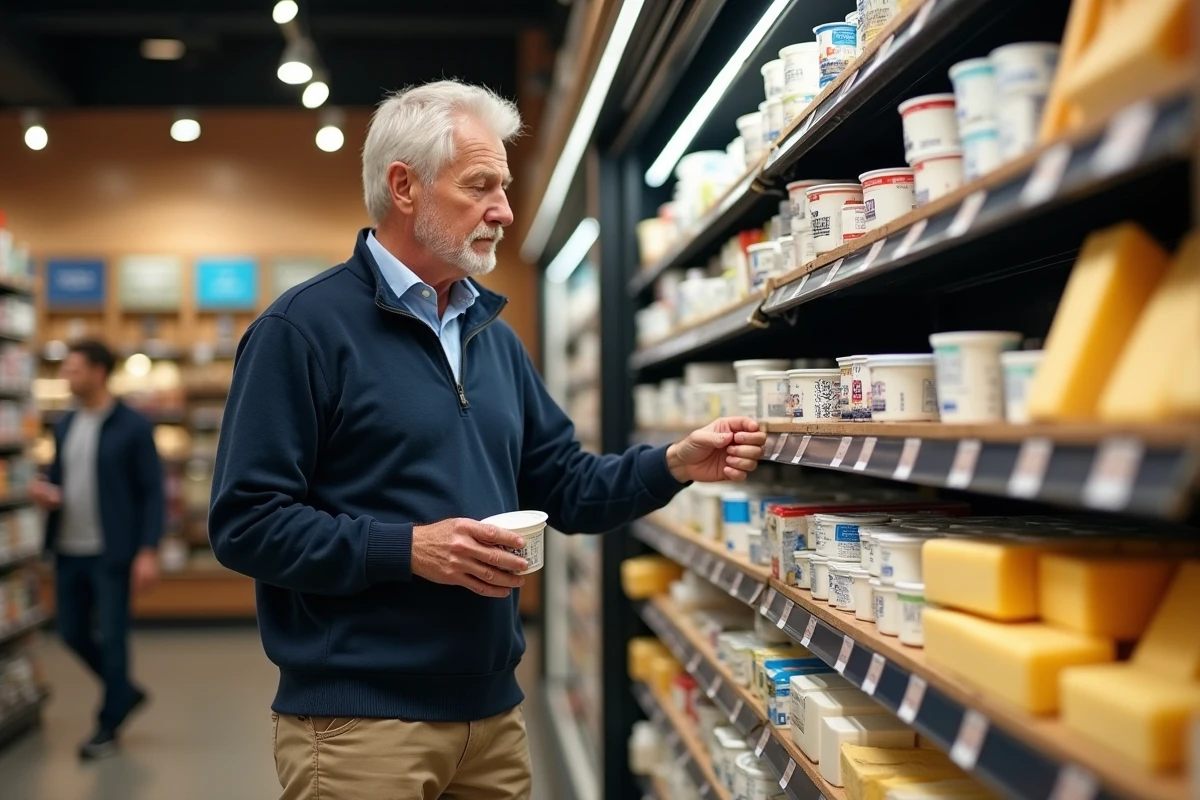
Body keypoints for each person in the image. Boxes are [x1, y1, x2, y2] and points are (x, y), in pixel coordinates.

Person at [208, 80, 766, 800]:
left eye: (503, 186)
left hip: (493, 717)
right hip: (359, 728)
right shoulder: (303, 332)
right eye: (480, 186)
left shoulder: (493, 340)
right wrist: (410, 550)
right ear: (403, 187)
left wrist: (672, 465)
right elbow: (246, 523)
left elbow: (565, 487)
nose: (504, 211)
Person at [29, 339, 164, 760]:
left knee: (113, 635)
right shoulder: (66, 423)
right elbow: (61, 478)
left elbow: (151, 492)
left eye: (74, 369)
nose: (67, 376)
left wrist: (147, 549)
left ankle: (108, 724)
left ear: (99, 372)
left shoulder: (133, 427)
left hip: (113, 551)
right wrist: (48, 494)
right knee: (70, 632)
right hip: (69, 548)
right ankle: (123, 691)